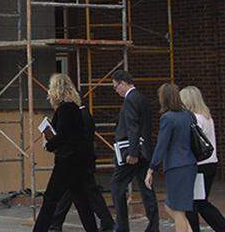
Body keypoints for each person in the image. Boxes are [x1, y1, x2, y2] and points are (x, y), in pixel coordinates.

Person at [32, 74, 100, 232]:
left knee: (50, 199)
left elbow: (62, 135)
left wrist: (49, 144)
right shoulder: (73, 108)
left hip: (67, 161)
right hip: (77, 161)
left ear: (56, 90)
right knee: (81, 201)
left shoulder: (65, 109)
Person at [46, 101, 115, 232]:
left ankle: (107, 221)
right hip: (81, 161)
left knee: (86, 193)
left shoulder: (80, 115)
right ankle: (55, 222)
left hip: (78, 162)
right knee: (71, 193)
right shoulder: (84, 115)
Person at [180, 86, 225, 232]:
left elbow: (189, 142)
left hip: (198, 165)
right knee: (201, 202)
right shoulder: (206, 116)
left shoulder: (194, 119)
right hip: (210, 162)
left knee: (193, 204)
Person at [109, 70, 158, 232]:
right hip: (145, 151)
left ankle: (122, 227)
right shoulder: (142, 98)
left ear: (123, 83)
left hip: (133, 153)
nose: (116, 91)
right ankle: (153, 227)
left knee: (116, 186)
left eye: (116, 87)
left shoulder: (130, 100)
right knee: (146, 189)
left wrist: (132, 152)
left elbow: (132, 127)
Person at [145, 83, 197, 232]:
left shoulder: (167, 118)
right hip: (189, 164)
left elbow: (162, 145)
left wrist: (151, 168)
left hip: (176, 166)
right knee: (174, 207)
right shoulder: (188, 115)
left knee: (177, 209)